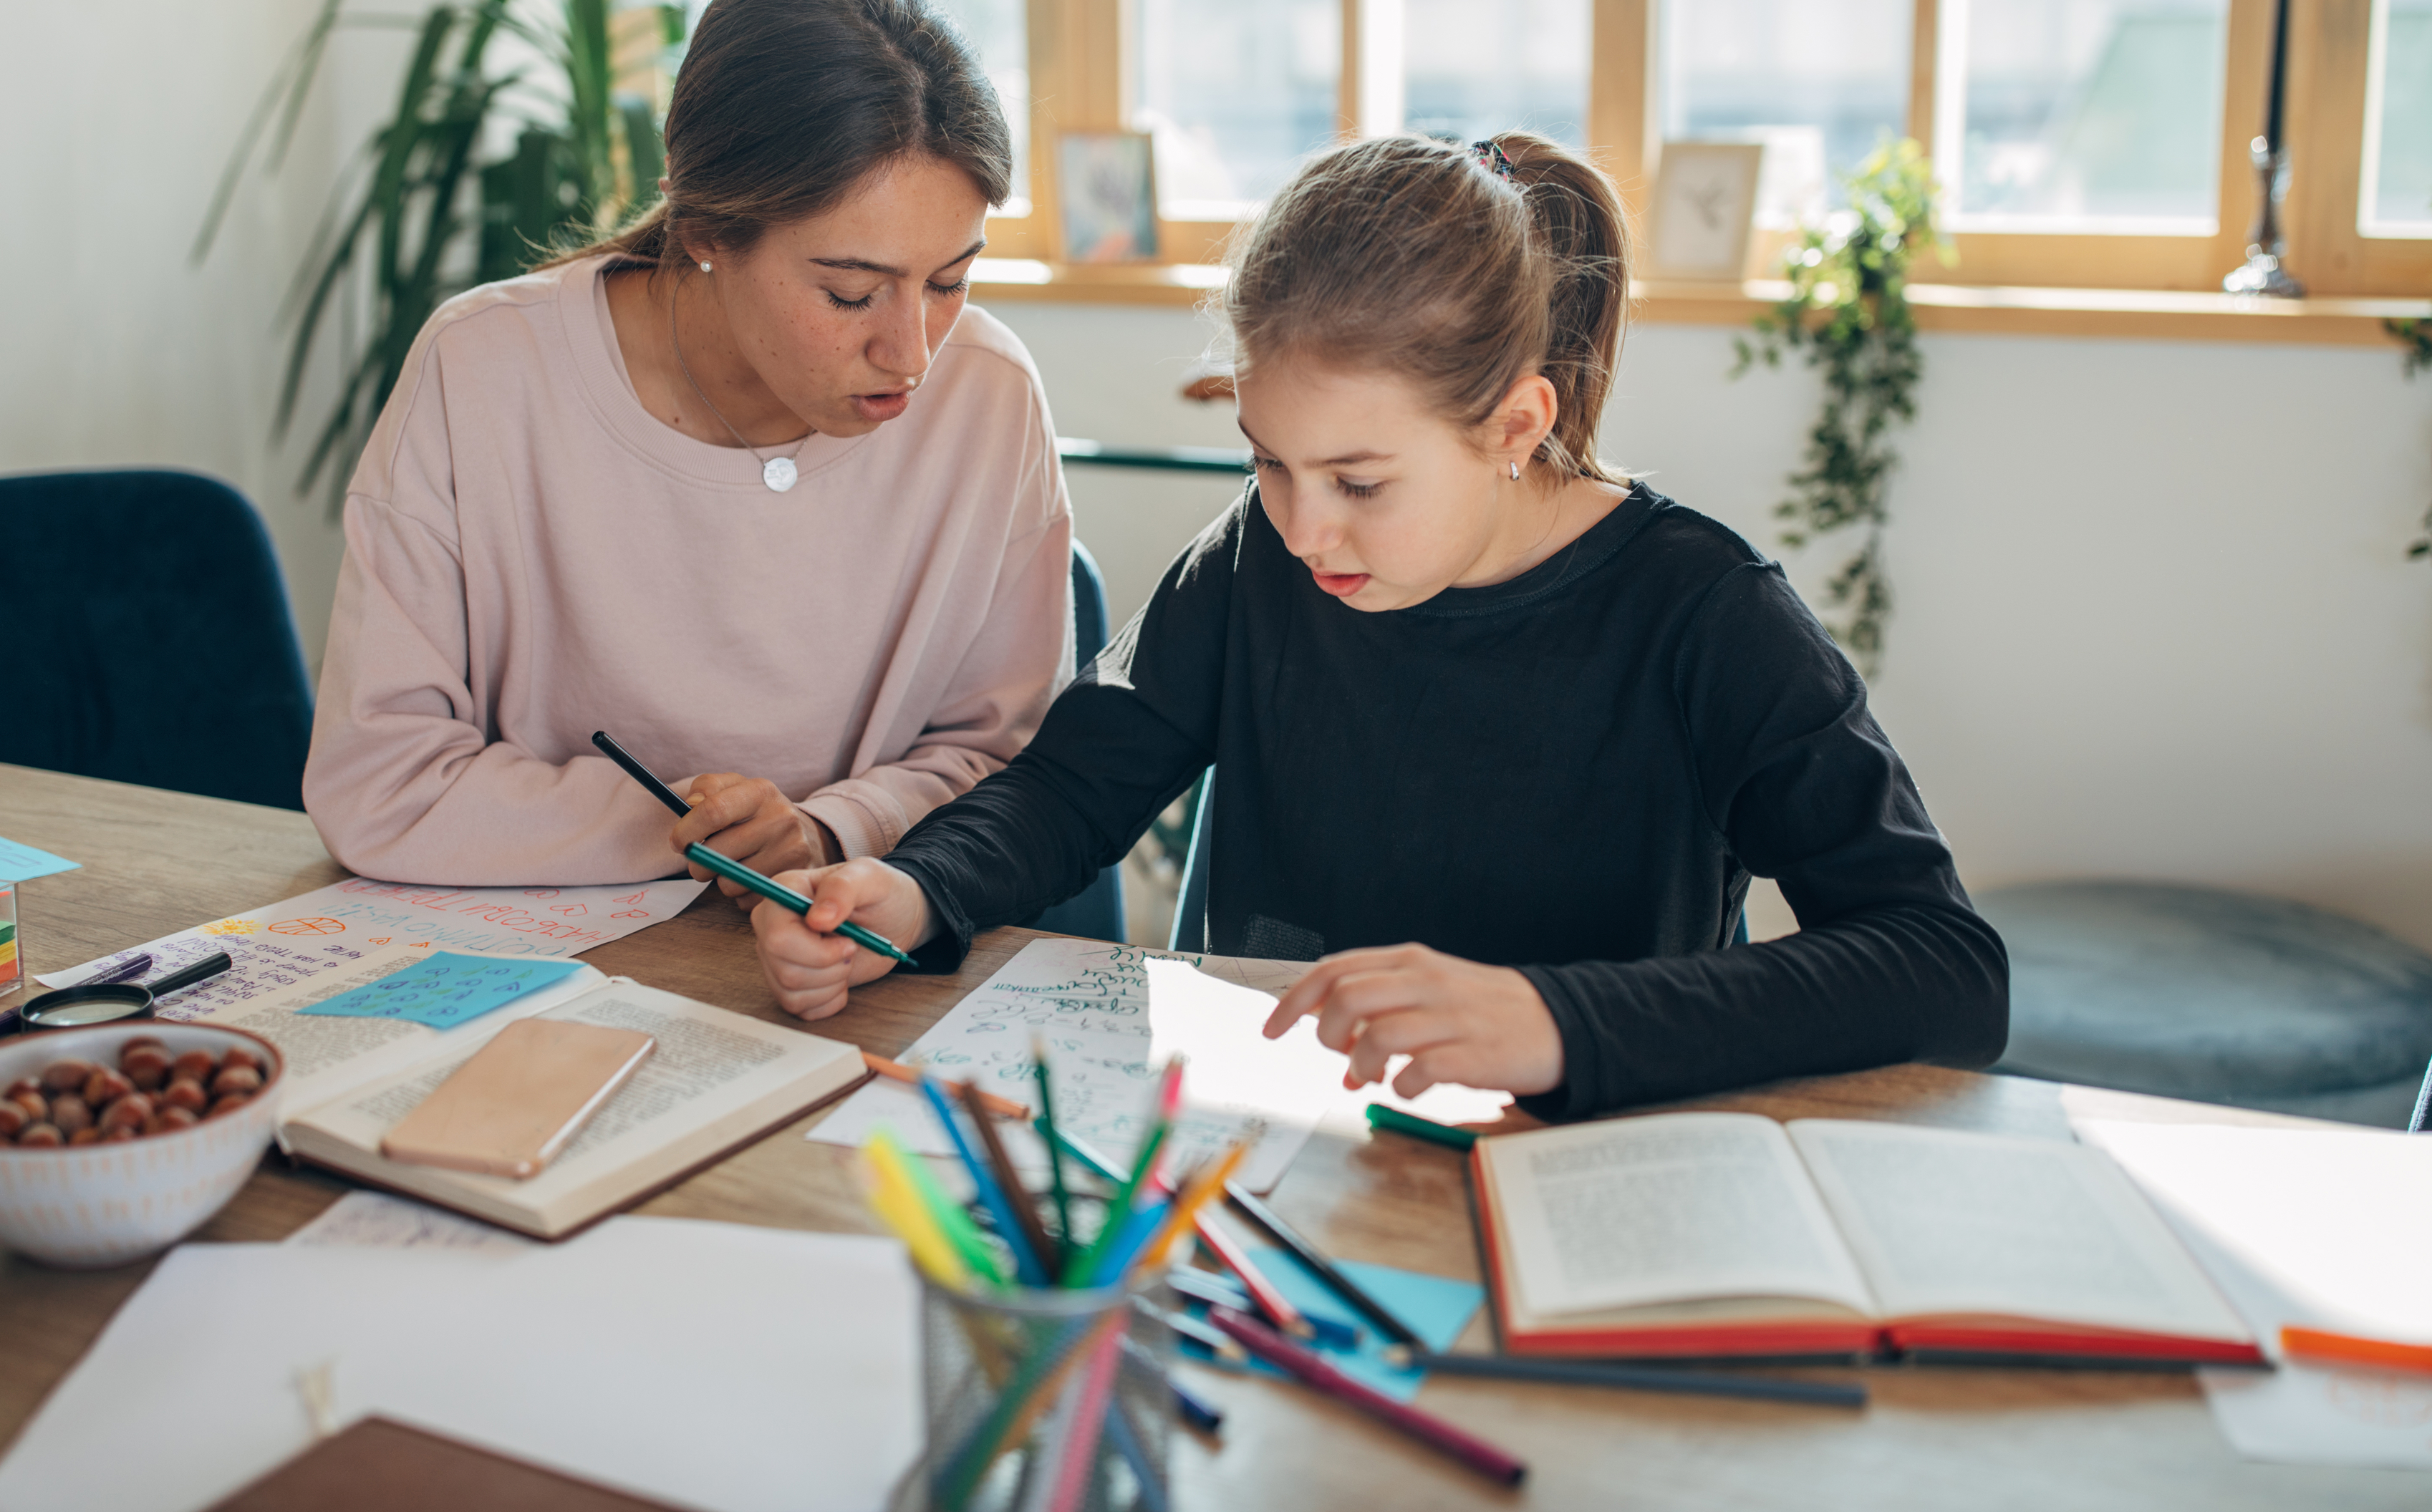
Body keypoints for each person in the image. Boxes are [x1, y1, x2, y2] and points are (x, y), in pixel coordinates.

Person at [737, 131, 2007, 1123]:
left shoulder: (1705, 615)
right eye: (1268, 462)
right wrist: (911, 889)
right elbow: (1074, 789)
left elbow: (1944, 969)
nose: (1301, 530)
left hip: (1559, 1165)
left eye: (1358, 481)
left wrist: (1552, 1022)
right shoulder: (1262, 557)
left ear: (1516, 427)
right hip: (1266, 1149)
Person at [304, 0, 1073, 891]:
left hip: (862, 962)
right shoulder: (483, 373)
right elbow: (380, 784)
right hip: (552, 975)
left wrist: (828, 832)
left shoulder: (986, 395)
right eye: (848, 294)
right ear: (705, 230)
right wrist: (685, 828)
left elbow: (1020, 769)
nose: (912, 352)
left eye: (951, 280)